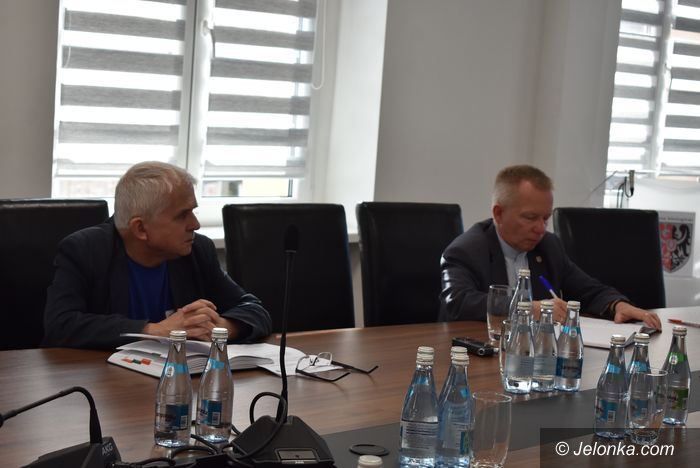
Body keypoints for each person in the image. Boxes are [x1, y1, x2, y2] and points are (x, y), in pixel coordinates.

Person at [42, 161, 272, 349]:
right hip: (103, 381)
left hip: (178, 377)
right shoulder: (85, 250)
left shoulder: (197, 250)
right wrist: (155, 330)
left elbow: (254, 309)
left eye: (193, 211)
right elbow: (60, 326)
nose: (195, 224)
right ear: (140, 228)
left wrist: (219, 328)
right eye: (182, 215)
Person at [439, 164, 662, 329]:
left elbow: (588, 289)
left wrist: (617, 305)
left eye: (545, 218)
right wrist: (529, 308)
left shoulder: (548, 246)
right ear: (499, 213)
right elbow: (457, 303)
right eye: (530, 217)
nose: (540, 228)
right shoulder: (466, 250)